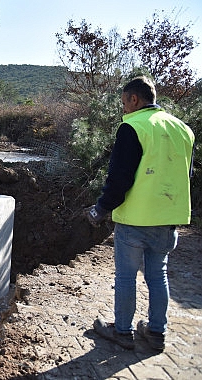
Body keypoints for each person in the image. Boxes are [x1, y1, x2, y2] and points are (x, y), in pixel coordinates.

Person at [87, 76, 195, 351]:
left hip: (136, 218)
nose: (123, 109)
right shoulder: (183, 129)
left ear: (134, 99)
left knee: (126, 277)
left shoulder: (132, 126)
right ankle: (156, 333)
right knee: (158, 275)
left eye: (124, 103)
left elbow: (120, 177)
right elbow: (185, 174)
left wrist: (102, 208)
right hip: (169, 218)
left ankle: (122, 331)